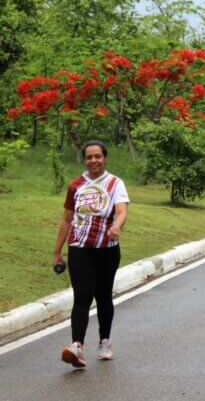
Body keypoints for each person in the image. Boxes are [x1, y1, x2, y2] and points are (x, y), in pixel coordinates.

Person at [54, 141, 130, 368]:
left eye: (98, 156)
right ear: (84, 160)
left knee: (104, 296)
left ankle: (105, 342)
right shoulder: (76, 185)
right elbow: (67, 219)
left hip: (107, 249)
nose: (93, 160)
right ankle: (77, 346)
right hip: (79, 247)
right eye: (89, 157)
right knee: (82, 295)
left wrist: (117, 225)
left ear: (104, 158)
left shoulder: (115, 183)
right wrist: (57, 251)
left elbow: (121, 210)